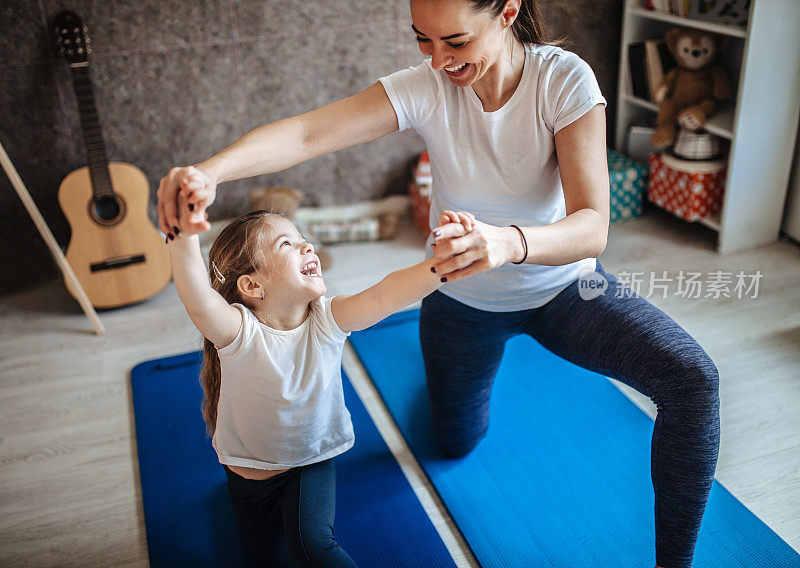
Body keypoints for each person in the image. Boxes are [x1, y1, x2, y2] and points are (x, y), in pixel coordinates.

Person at [158, 2, 720, 567]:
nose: (439, 60)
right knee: (455, 441)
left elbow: (592, 226)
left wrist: (506, 243)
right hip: (460, 302)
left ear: (506, 13)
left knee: (694, 379)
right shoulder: (427, 86)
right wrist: (208, 172)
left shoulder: (562, 80)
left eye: (455, 41)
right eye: (423, 41)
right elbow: (306, 134)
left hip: (566, 289)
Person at [165, 201, 474, 567]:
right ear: (251, 284)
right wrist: (181, 235)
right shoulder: (239, 332)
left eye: (303, 240)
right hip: (250, 472)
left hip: (312, 459)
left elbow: (385, 294)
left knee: (312, 546)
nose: (306, 246)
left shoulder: (328, 319)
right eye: (286, 244)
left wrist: (446, 263)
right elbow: (197, 299)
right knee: (263, 556)